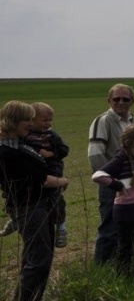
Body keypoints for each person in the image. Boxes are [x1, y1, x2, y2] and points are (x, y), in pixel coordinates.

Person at [0, 101, 70, 301]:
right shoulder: (6, 151)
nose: (31, 124)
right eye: (26, 120)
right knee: (39, 261)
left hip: (41, 204)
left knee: (37, 260)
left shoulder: (18, 143)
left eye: (32, 119)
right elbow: (41, 179)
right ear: (12, 121)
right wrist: (62, 180)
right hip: (29, 207)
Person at [92, 124, 134, 276]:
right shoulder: (120, 159)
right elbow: (98, 176)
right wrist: (118, 185)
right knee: (126, 249)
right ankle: (124, 278)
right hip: (125, 211)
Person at [89, 83, 134, 265]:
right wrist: (110, 183)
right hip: (113, 187)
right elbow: (95, 154)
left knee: (126, 229)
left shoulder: (133, 121)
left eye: (125, 99)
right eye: (116, 99)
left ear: (132, 101)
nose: (120, 102)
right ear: (108, 100)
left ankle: (121, 266)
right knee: (109, 229)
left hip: (131, 186)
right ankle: (101, 271)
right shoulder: (103, 121)